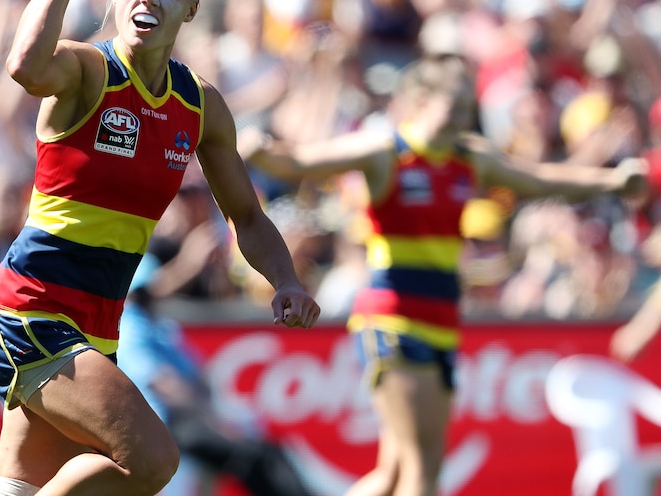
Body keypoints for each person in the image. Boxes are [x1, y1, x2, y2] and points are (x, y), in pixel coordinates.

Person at [0, 0, 320, 496]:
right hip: (31, 313)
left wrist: (284, 280)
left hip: (96, 327)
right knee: (152, 460)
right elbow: (24, 65)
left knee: (19, 490)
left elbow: (247, 217)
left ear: (191, 8)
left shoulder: (199, 104)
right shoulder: (87, 71)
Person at [243, 53, 647, 496]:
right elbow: (303, 161)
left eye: (464, 108)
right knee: (419, 475)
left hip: (440, 324)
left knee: (402, 474)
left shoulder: (470, 158)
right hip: (391, 320)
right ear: (419, 100)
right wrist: (261, 151)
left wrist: (610, 183)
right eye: (449, 107)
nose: (459, 117)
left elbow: (541, 179)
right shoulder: (386, 153)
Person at [117, 253, 315, 496]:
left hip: (189, 418)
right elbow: (162, 384)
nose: (147, 295)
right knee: (252, 455)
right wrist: (214, 420)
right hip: (166, 426)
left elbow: (198, 375)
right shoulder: (130, 325)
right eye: (143, 290)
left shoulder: (158, 324)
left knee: (266, 449)